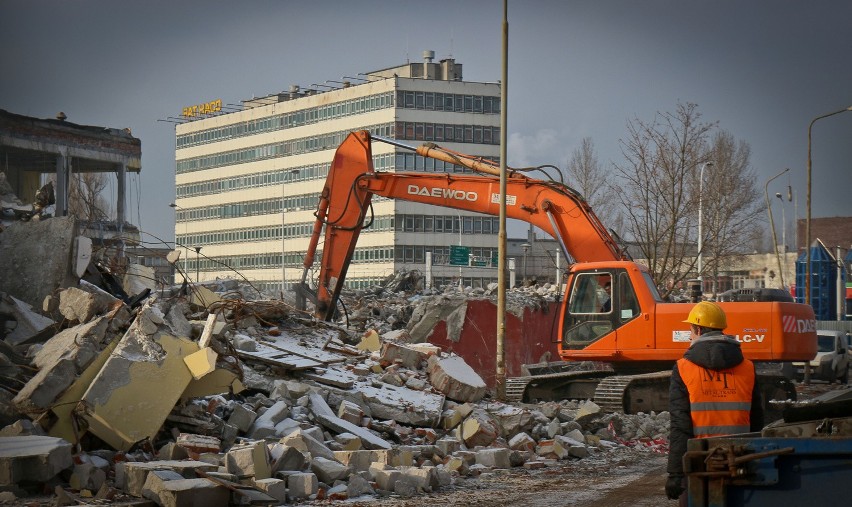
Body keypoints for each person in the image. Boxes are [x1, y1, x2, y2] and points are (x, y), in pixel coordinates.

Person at [665, 301, 763, 504]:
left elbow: (680, 426)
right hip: (740, 458)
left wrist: (675, 474)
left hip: (701, 461)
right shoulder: (747, 367)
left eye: (691, 329)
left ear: (698, 329)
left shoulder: (683, 368)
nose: (690, 335)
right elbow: (757, 419)